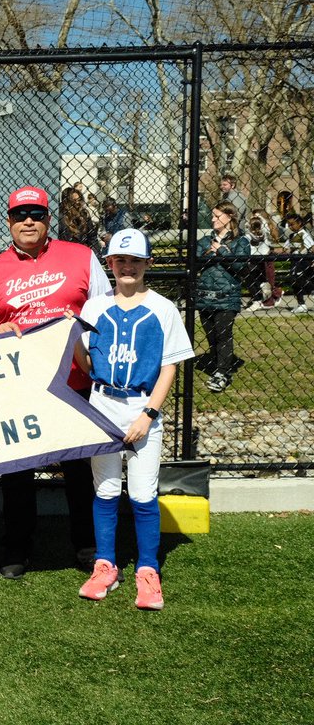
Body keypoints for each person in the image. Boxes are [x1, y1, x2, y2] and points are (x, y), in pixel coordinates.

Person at [0, 186, 110, 579]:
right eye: (20, 215)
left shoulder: (81, 257)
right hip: (19, 386)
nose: (28, 221)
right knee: (18, 471)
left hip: (74, 380)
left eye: (36, 214)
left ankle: (87, 544)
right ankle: (17, 547)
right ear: (9, 222)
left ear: (49, 219)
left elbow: (104, 313)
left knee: (79, 468)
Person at [76, 229, 194, 610]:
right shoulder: (94, 307)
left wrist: (148, 414)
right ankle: (105, 565)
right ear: (109, 263)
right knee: (106, 489)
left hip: (142, 406)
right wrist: (71, 337)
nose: (127, 267)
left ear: (148, 264)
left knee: (143, 493)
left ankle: (147, 569)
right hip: (103, 403)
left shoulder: (163, 308)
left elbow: (169, 367)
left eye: (135, 261)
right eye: (120, 260)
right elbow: (86, 362)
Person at [196, 201, 248, 393]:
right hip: (205, 296)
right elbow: (195, 262)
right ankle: (217, 365)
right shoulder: (205, 240)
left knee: (223, 335)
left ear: (229, 217)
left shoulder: (240, 241)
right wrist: (211, 252)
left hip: (227, 297)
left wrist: (222, 251)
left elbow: (239, 266)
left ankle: (222, 372)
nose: (212, 219)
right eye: (213, 215)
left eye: (217, 216)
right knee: (211, 336)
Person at [245, 208, 283, 311]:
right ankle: (263, 297)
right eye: (253, 216)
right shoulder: (250, 227)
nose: (255, 218)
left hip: (265, 256)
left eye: (258, 217)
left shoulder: (265, 227)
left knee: (267, 280)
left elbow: (270, 234)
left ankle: (273, 296)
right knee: (256, 279)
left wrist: (263, 221)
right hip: (253, 256)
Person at [282, 213, 314, 313]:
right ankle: (301, 304)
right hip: (294, 260)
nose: (290, 227)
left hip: (303, 261)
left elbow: (312, 247)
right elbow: (286, 248)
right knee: (294, 281)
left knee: (299, 279)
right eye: (289, 225)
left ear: (299, 223)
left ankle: (311, 291)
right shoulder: (292, 235)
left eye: (292, 224)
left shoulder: (304, 234)